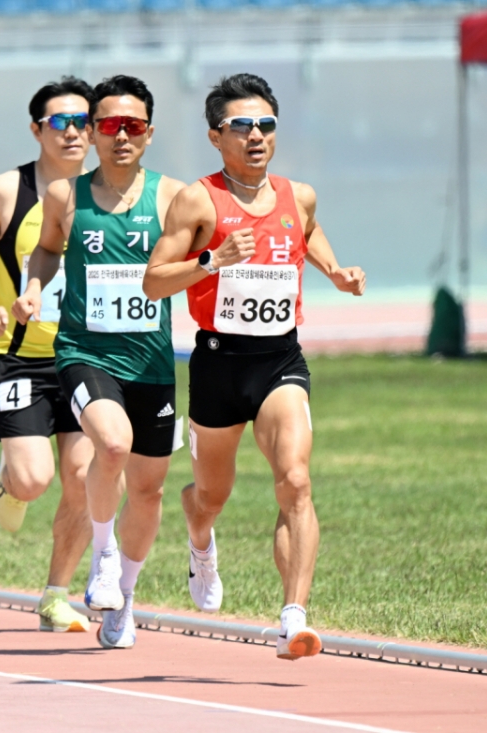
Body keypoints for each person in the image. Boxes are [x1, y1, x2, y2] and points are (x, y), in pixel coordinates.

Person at [142, 73, 365, 661]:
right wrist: (212, 260)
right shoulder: (199, 200)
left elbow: (306, 235)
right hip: (218, 363)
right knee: (211, 495)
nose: (257, 135)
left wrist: (335, 272)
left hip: (279, 360)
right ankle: (198, 539)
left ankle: (293, 618)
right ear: (217, 136)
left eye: (266, 124)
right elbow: (154, 279)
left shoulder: (300, 195)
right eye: (242, 126)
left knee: (294, 478)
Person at [14, 75, 185, 649]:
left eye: (131, 126)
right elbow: (45, 249)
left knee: (150, 491)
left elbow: (218, 247)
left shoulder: (173, 197)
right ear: (91, 132)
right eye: (107, 125)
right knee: (110, 446)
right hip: (85, 352)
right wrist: (34, 287)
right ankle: (103, 557)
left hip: (153, 362)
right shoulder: (65, 196)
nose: (119, 136)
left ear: (149, 134)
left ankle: (126, 598)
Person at [0, 76, 95, 634]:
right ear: (37, 129)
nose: (74, 132)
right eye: (61, 122)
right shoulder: (8, 191)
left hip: (88, 357)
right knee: (35, 481)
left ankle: (56, 594)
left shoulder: (110, 192)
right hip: (21, 358)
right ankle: (10, 481)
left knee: (85, 475)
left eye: (84, 121)